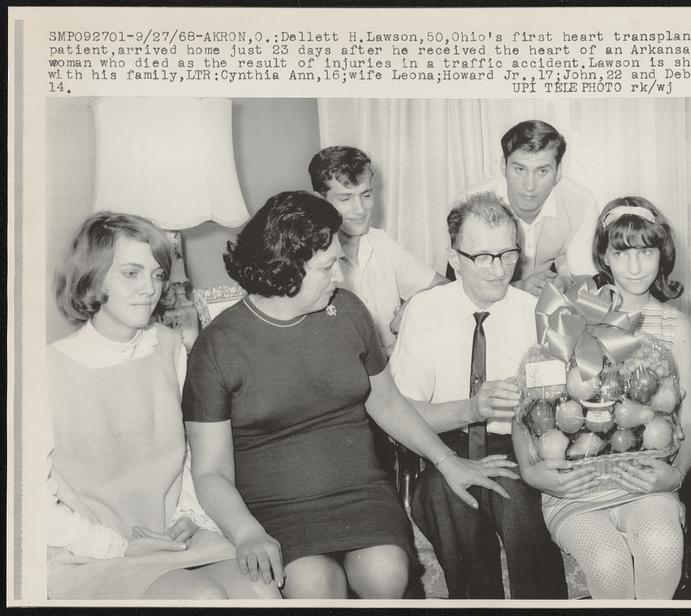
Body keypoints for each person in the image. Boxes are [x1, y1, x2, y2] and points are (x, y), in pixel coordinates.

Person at [181, 191, 518, 599]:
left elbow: (388, 402)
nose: (339, 277)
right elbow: (210, 471)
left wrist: (447, 461)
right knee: (314, 586)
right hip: (276, 508)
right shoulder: (217, 347)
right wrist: (247, 532)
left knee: (385, 573)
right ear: (286, 269)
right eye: (327, 268)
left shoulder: (348, 312)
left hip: (360, 494)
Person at [47, 212, 281, 600]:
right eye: (131, 274)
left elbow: (191, 454)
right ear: (92, 275)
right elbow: (28, 504)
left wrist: (188, 515)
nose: (149, 289)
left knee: (262, 588)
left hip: (173, 539)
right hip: (93, 554)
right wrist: (114, 546)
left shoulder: (170, 347)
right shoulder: (47, 368)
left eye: (156, 275)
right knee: (203, 597)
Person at [513, 196, 691, 599]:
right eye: (622, 252)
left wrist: (677, 474)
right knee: (608, 564)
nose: (634, 267)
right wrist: (531, 472)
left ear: (662, 253)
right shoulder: (572, 311)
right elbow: (530, 406)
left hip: (644, 480)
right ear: (604, 254)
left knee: (662, 548)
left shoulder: (677, 327)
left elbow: (689, 423)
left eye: (646, 252)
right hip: (576, 488)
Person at [390, 192, 570, 599]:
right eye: (484, 257)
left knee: (524, 513)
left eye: (508, 254)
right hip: (442, 449)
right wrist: (470, 409)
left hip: (517, 448)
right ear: (454, 259)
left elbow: (561, 411)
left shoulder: (538, 313)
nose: (500, 270)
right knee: (448, 501)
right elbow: (400, 414)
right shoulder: (424, 310)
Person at [309, 146, 448, 353]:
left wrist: (416, 304)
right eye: (345, 199)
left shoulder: (380, 242)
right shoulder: (309, 261)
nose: (360, 209)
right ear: (320, 201)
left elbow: (445, 286)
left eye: (366, 195)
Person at [451, 119, 599, 296]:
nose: (529, 186)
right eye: (520, 170)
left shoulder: (581, 204)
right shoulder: (469, 205)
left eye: (542, 171)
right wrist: (519, 289)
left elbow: (587, 279)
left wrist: (566, 284)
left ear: (558, 172)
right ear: (503, 166)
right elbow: (463, 288)